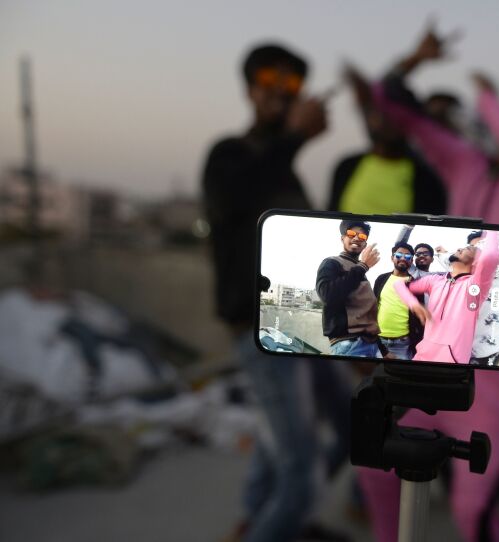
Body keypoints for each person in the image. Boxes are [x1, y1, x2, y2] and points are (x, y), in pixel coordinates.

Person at [356, 23, 499, 542]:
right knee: (372, 466)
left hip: (496, 383)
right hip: (433, 361)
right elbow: (390, 103)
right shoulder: (468, 167)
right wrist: (416, 59)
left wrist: (491, 104)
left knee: (474, 514)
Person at [202, 43, 350, 542]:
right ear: (249, 88)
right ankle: (283, 517)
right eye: (271, 78)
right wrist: (292, 138)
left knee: (323, 439)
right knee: (300, 467)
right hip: (261, 332)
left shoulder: (286, 172)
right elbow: (233, 199)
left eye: (293, 84)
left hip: (305, 327)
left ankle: (267, 521)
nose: (282, 90)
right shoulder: (229, 156)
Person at [327, 65, 447, 215]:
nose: (384, 120)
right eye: (378, 111)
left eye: (393, 113)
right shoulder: (347, 166)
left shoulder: (427, 182)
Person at [394, 230, 499, 364]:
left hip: (452, 363)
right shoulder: (434, 280)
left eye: (468, 248)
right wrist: (413, 304)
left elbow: (491, 256)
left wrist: (492, 226)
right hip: (421, 357)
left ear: (476, 262)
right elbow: (399, 285)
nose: (459, 248)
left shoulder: (475, 286)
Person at [436, 230, 499, 366]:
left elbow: (497, 246)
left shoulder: (497, 270)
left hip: (486, 349)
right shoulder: (467, 272)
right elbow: (453, 261)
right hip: (461, 348)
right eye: (471, 248)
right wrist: (442, 253)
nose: (477, 251)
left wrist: (489, 226)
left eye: (481, 246)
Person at [315, 220, 383, 357]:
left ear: (365, 244)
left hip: (370, 344)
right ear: (342, 238)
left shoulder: (360, 271)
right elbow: (327, 295)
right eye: (352, 234)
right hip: (348, 344)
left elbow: (368, 319)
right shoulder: (332, 263)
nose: (357, 238)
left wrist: (384, 351)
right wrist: (363, 266)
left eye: (363, 236)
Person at [372, 242, 424, 359]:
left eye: (407, 257)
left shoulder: (416, 284)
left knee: (401, 376)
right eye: (399, 255)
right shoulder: (381, 279)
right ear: (392, 258)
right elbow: (372, 308)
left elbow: (419, 316)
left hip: (404, 344)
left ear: (411, 261)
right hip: (378, 341)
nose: (403, 259)